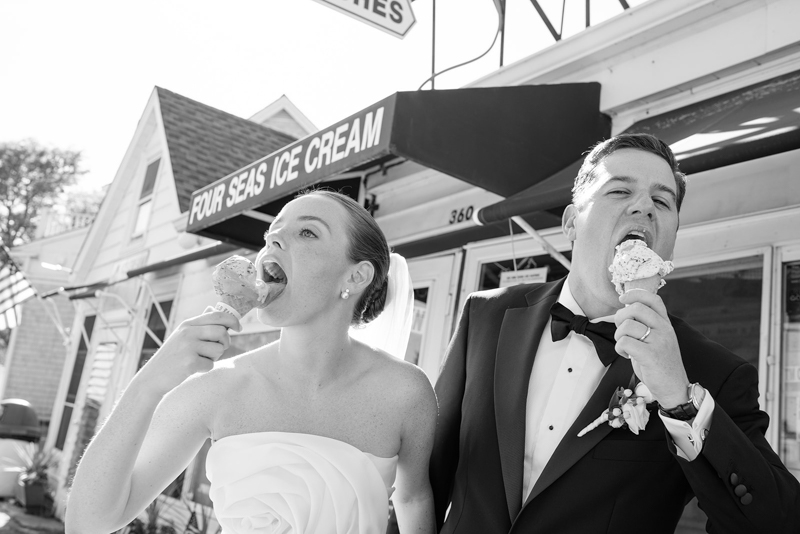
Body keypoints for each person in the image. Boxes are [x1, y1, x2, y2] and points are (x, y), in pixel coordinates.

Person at [430, 133, 800, 533]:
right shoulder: (487, 314)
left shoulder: (713, 371)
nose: (643, 206)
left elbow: (777, 522)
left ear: (671, 240)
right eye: (620, 190)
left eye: (662, 201)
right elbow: (426, 479)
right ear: (572, 222)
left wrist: (680, 402)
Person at [66, 190, 438, 534]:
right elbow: (89, 522)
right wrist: (150, 382)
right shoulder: (216, 388)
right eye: (271, 235)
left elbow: (411, 498)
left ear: (356, 275)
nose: (272, 240)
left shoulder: (407, 393)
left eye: (307, 232)